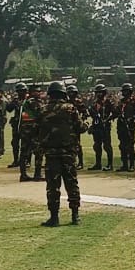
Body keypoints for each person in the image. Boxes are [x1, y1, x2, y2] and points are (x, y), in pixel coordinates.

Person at [36, 81, 85, 227]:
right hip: (68, 153)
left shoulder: (44, 110)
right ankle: (75, 216)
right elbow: (80, 127)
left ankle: (54, 217)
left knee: (53, 186)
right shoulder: (70, 109)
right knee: (71, 183)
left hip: (51, 154)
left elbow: (36, 129)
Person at [17, 84, 46, 182]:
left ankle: (23, 174)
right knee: (38, 152)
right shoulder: (33, 102)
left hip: (26, 130)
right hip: (33, 131)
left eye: (39, 91)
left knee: (24, 152)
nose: (38, 93)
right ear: (31, 93)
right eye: (36, 91)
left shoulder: (26, 102)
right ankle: (37, 174)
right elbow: (41, 113)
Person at [114, 83, 135, 172]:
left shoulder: (134, 102)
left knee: (130, 146)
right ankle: (124, 165)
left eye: (126, 91)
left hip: (129, 127)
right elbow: (116, 112)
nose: (125, 93)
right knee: (122, 146)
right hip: (121, 126)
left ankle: (131, 164)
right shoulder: (121, 102)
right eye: (124, 91)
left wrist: (133, 118)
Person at [87, 84, 117, 171]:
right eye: (97, 92)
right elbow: (92, 113)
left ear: (104, 93)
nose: (99, 94)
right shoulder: (94, 103)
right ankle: (98, 164)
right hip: (96, 127)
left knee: (107, 146)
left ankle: (110, 164)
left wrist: (108, 119)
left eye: (101, 92)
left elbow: (115, 112)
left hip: (105, 127)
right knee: (97, 146)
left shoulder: (108, 102)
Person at [5, 83, 29, 169]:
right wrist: (11, 102)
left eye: (22, 91)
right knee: (15, 143)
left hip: (27, 125)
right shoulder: (16, 100)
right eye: (19, 91)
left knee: (26, 144)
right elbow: (9, 109)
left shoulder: (29, 100)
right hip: (16, 125)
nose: (20, 93)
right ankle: (16, 160)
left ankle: (26, 161)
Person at [67, 85, 90, 169]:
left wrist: (80, 120)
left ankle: (80, 162)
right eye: (70, 92)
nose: (71, 94)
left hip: (76, 126)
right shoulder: (66, 102)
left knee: (78, 145)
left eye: (72, 92)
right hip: (67, 126)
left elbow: (85, 113)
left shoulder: (78, 102)